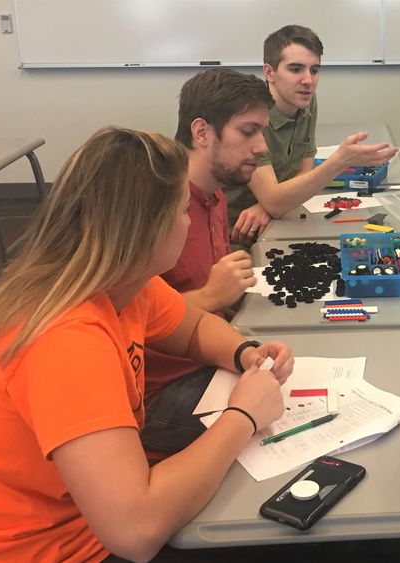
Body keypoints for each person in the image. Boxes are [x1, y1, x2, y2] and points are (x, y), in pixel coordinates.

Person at [0, 127, 292, 561]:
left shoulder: (124, 282)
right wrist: (244, 415)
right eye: (181, 210)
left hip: (100, 517)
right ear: (145, 228)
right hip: (66, 550)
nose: (188, 220)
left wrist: (246, 354)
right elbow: (135, 532)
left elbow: (192, 330)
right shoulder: (66, 341)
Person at [139, 68, 276, 456]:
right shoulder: (160, 212)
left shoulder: (214, 197)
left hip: (205, 361)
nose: (262, 147)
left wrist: (245, 350)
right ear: (202, 133)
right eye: (247, 132)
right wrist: (211, 296)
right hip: (161, 392)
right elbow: (130, 323)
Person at [226, 24, 399, 242]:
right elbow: (276, 201)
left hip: (275, 218)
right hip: (236, 232)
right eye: (296, 69)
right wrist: (339, 161)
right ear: (269, 72)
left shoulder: (305, 100)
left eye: (314, 70)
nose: (308, 80)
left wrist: (267, 205)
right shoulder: (252, 117)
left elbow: (303, 171)